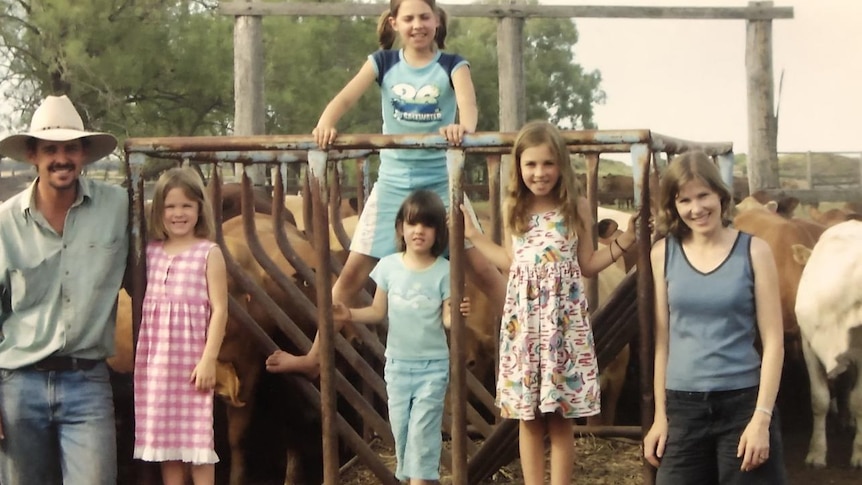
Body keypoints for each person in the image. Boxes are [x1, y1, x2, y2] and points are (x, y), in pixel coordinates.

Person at [267, 0, 506, 377]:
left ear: (437, 20)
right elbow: (345, 97)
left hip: (442, 182)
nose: (417, 25)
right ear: (395, 23)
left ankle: (530, 340)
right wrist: (327, 122)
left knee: (483, 269)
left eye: (424, 17)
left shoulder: (451, 65)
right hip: (393, 182)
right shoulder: (383, 63)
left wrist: (464, 128)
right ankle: (315, 357)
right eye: (408, 18)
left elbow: (467, 104)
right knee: (350, 275)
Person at [462, 120, 636, 485]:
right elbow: (511, 262)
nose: (539, 173)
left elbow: (588, 264)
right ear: (519, 167)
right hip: (524, 327)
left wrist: (624, 243)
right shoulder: (515, 208)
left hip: (563, 325)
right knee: (527, 418)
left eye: (547, 164)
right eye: (531, 165)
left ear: (560, 165)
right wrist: (473, 235)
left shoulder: (576, 207)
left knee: (559, 419)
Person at [0, 94, 129, 484]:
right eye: (50, 149)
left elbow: (154, 262)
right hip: (18, 382)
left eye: (71, 148)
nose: (62, 158)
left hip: (87, 379)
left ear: (84, 155)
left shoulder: (119, 206)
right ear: (33, 156)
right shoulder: (6, 222)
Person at [643, 151, 787, 483]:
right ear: (673, 206)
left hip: (743, 405)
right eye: (685, 200)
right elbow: (663, 343)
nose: (697, 208)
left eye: (704, 195)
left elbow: (774, 341)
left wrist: (761, 419)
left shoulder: (754, 251)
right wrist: (661, 418)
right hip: (683, 409)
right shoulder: (662, 254)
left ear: (721, 194)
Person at [133, 167, 228, 485]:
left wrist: (209, 359)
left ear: (200, 208)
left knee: (198, 443)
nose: (178, 213)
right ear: (158, 211)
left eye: (186, 205)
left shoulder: (208, 253)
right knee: (167, 449)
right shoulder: (150, 253)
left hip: (192, 365)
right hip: (157, 366)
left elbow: (220, 310)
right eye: (170, 206)